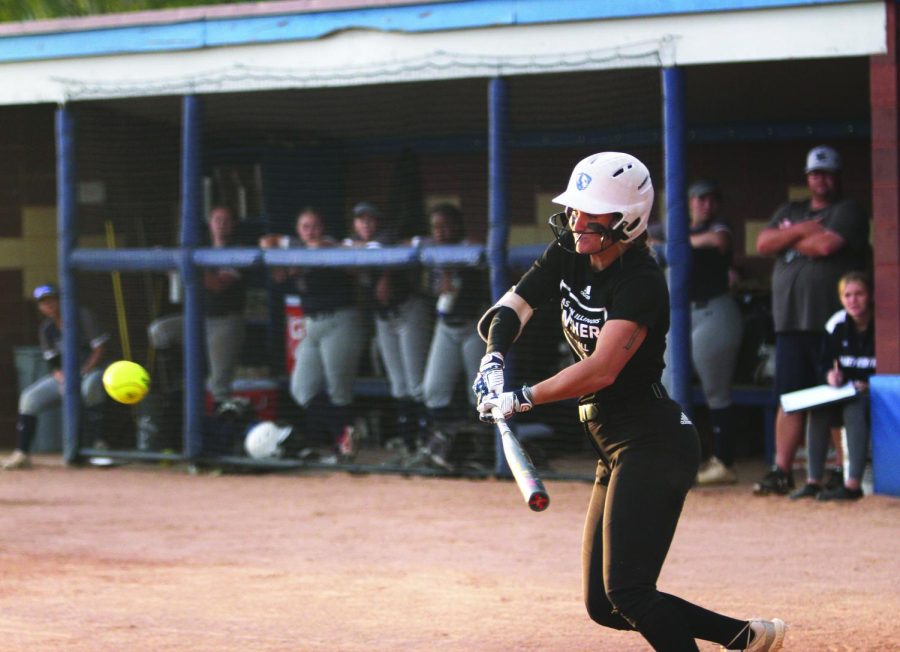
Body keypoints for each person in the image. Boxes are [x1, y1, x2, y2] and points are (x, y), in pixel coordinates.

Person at [473, 152, 786, 651]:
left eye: (590, 213)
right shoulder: (570, 249)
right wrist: (493, 360)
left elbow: (601, 369)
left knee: (630, 592)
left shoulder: (640, 280)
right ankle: (741, 637)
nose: (576, 221)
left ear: (626, 221)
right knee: (605, 604)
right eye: (575, 209)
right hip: (611, 445)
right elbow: (513, 306)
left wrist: (522, 397)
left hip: (652, 442)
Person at [753, 145, 870, 496]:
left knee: (834, 395)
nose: (822, 179)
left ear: (838, 176)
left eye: (828, 173)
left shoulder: (847, 210)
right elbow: (763, 243)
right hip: (789, 322)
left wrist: (789, 236)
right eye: (815, 174)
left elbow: (826, 247)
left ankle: (839, 470)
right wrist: (803, 229)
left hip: (828, 321)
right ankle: (782, 470)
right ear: (807, 178)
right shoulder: (793, 210)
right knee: (788, 397)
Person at [260, 207, 366, 462]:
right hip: (312, 325)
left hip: (340, 321)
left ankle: (345, 447)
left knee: (339, 390)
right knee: (301, 389)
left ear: (323, 227)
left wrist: (296, 257)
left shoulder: (329, 245)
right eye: (305, 226)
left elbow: (320, 246)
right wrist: (285, 254)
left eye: (315, 225)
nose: (311, 231)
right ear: (298, 230)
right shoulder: (297, 246)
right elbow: (266, 241)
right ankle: (348, 432)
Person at [342, 202, 430, 454]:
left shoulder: (387, 236)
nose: (365, 224)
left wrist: (386, 275)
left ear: (379, 222)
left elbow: (380, 249)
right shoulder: (354, 243)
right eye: (360, 220)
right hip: (384, 318)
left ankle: (427, 440)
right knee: (398, 384)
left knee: (416, 383)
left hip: (409, 311)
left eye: (370, 219)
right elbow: (342, 248)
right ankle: (409, 441)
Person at [147, 205, 247, 407]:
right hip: (197, 318)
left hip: (225, 322)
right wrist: (170, 264)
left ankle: (224, 430)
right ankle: (178, 381)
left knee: (219, 386)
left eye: (226, 221)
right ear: (210, 223)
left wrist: (185, 266)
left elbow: (218, 284)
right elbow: (179, 275)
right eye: (217, 220)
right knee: (160, 331)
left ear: (233, 225)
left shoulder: (239, 250)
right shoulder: (201, 249)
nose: (221, 225)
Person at [3, 283, 109, 470]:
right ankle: (22, 453)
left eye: (51, 300)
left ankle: (100, 446)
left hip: (93, 371)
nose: (48, 305)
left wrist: (84, 372)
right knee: (29, 398)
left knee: (89, 387)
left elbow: (100, 350)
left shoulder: (82, 316)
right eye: (43, 303)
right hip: (67, 376)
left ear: (60, 299)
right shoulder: (47, 329)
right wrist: (63, 379)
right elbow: (53, 364)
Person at [417, 203, 491, 468]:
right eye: (435, 226)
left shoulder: (471, 247)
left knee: (480, 393)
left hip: (473, 325)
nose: (440, 231)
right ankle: (446, 446)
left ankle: (482, 452)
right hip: (445, 327)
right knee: (433, 389)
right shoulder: (430, 249)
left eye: (446, 225)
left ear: (457, 226)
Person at [790, 271, 875, 501]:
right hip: (844, 391)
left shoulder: (883, 325)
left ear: (870, 296)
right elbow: (825, 364)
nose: (853, 300)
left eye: (859, 294)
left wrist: (870, 384)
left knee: (854, 407)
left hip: (873, 395)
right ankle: (813, 481)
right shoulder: (836, 323)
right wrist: (831, 376)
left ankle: (853, 485)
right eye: (847, 295)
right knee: (819, 408)